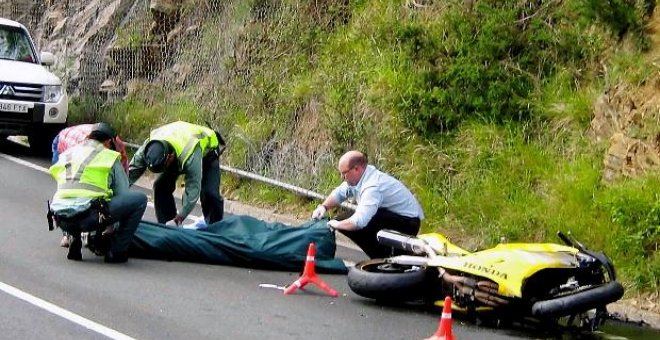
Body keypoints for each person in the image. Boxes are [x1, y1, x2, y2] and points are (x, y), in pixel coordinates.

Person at [48, 123, 148, 263]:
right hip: (89, 217)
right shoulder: (109, 156)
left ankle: (73, 238)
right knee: (139, 200)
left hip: (60, 217)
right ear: (109, 142)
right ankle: (117, 251)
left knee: (75, 198)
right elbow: (123, 193)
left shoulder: (68, 153)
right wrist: (112, 228)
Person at [311, 150, 425, 259]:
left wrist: (336, 225)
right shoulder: (361, 177)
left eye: (344, 174)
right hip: (393, 216)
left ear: (356, 169)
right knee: (344, 219)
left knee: (350, 223)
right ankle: (381, 256)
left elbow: (359, 222)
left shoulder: (372, 186)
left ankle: (389, 256)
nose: (342, 178)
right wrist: (323, 207)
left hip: (408, 223)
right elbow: (339, 193)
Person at [128, 121, 225, 226]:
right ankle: (166, 225)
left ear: (170, 157)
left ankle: (214, 228)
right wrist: (116, 195)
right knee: (160, 186)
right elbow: (131, 172)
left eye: (162, 168)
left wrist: (180, 217)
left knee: (210, 193)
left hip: (207, 151)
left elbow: (193, 188)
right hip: (176, 143)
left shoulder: (189, 155)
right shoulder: (149, 147)